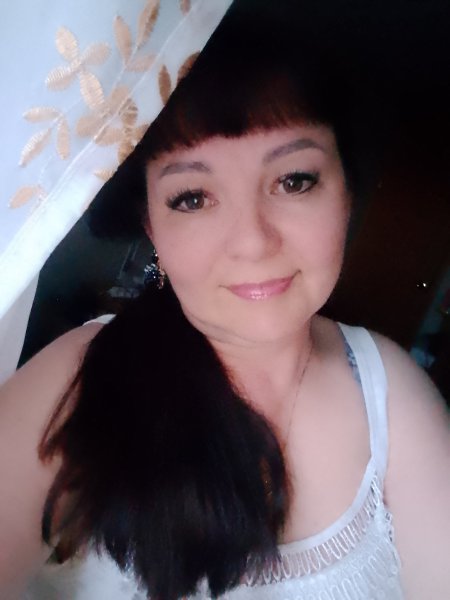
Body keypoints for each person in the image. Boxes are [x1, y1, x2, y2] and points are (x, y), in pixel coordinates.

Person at [1, 3, 449, 599]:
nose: (253, 242)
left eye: (294, 180)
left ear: (346, 191)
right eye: (192, 197)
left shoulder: (391, 394)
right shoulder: (81, 379)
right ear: (150, 224)